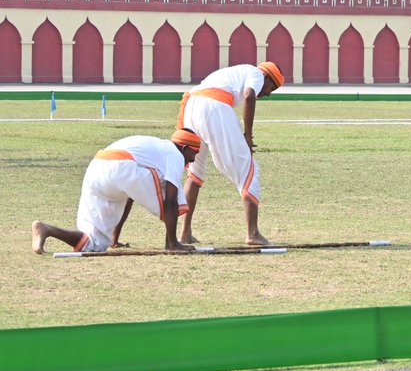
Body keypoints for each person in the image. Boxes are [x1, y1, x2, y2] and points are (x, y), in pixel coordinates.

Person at [32, 130, 202, 254]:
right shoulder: (174, 153)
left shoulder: (155, 149)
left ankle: (47, 229)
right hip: (122, 168)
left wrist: (113, 239)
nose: (193, 159)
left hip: (96, 169)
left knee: (94, 243)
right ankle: (171, 243)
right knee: (176, 194)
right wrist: (173, 244)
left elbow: (131, 195)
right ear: (185, 147)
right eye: (194, 153)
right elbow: (170, 200)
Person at [177, 62, 283, 246]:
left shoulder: (234, 72)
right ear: (266, 77)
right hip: (212, 107)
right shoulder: (256, 74)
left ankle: (184, 233)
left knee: (195, 172)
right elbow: (249, 96)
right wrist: (248, 137)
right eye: (271, 88)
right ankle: (253, 234)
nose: (268, 94)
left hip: (192, 108)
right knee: (248, 168)